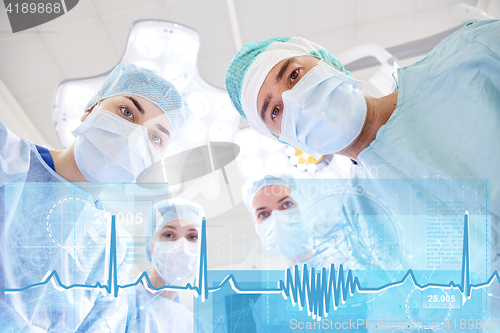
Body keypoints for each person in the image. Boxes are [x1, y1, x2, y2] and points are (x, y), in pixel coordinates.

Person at [226, 19, 500, 255]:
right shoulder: (364, 224)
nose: (295, 100)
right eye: (275, 111)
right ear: (287, 141)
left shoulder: (474, 53)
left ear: (325, 61)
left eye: (294, 75)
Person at [0, 63, 192, 331]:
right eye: (127, 112)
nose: (135, 137)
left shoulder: (112, 250)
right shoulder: (7, 157)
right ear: (90, 111)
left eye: (156, 137)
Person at [77, 199, 210, 332]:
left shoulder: (197, 327)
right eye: (168, 234)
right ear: (150, 243)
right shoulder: (119, 297)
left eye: (192, 237)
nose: (182, 247)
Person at [241, 174, 401, 271]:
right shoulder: (282, 297)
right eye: (263, 214)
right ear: (257, 227)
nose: (277, 218)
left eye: (287, 204)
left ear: (303, 207)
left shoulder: (349, 259)